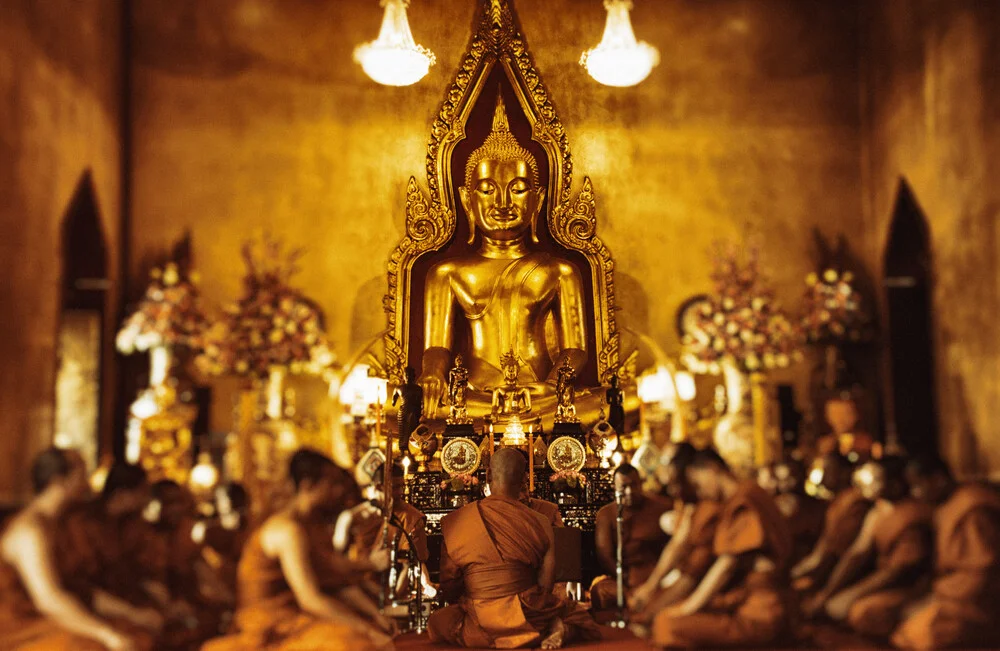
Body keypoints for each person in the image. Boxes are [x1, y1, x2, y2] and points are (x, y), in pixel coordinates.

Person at [202, 449, 395, 651]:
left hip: (296, 620)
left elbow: (335, 577)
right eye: (332, 483)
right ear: (307, 485)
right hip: (269, 628)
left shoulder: (312, 526)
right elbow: (310, 599)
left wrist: (374, 616)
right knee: (353, 642)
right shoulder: (288, 530)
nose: (339, 491)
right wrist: (368, 631)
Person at [428, 448, 600, 649]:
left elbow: (449, 586)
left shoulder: (459, 520)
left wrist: (474, 596)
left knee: (437, 622)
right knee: (573, 613)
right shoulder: (542, 522)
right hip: (529, 614)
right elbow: (546, 585)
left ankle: (508, 633)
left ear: (488, 475)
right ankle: (550, 628)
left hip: (481, 619)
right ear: (524, 479)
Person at [0, 448, 152, 650]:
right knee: (92, 645)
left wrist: (130, 614)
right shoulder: (30, 530)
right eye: (81, 474)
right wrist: (106, 634)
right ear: (59, 481)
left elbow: (80, 588)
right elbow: (48, 599)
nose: (87, 482)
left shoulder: (59, 524)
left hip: (50, 618)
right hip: (21, 627)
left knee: (134, 633)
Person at [649, 448, 794, 648]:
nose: (700, 492)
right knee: (667, 615)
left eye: (698, 484)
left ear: (712, 469)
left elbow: (727, 565)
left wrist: (687, 609)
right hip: (746, 600)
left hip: (761, 611)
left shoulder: (744, 500)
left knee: (667, 623)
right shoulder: (744, 494)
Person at [803, 456, 933, 639]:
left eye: (876, 480)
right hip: (879, 580)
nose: (868, 486)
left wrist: (853, 594)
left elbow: (898, 571)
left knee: (859, 613)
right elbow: (856, 554)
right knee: (831, 606)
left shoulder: (911, 515)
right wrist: (827, 593)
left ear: (895, 484)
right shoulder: (877, 510)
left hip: (909, 586)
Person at [891, 458, 1000, 649]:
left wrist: (941, 592)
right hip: (954, 589)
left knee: (918, 634)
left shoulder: (972, 508)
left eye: (918, 485)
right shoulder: (949, 505)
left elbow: (984, 571)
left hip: (975, 599)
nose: (916, 493)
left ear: (938, 479)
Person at [629, 443, 722, 628]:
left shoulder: (711, 505)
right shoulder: (689, 501)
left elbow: (694, 564)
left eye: (668, 462)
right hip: (686, 575)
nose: (663, 468)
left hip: (708, 584)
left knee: (662, 623)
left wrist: (661, 608)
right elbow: (677, 544)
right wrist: (651, 587)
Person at [590, 464, 673, 618]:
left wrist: (654, 580)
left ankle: (642, 601)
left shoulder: (662, 507)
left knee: (675, 588)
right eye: (623, 487)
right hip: (624, 580)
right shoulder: (606, 514)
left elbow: (674, 549)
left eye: (633, 485)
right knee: (600, 591)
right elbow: (604, 555)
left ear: (641, 483)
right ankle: (634, 601)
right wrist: (624, 579)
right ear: (614, 488)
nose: (629, 492)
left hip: (654, 575)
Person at [791, 453, 872, 593]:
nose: (823, 477)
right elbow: (824, 545)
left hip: (843, 571)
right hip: (827, 567)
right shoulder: (837, 501)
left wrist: (823, 589)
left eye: (829, 470)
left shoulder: (855, 502)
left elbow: (840, 550)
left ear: (845, 473)